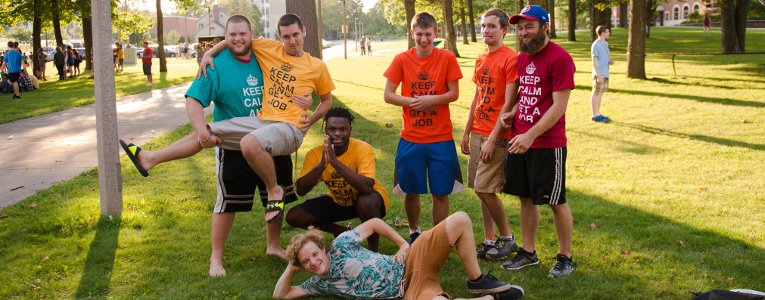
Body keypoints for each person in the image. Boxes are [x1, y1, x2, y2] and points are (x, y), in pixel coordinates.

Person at [119, 15, 297, 277]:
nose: (237, 39)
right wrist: (201, 130)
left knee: (274, 194)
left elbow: (294, 59)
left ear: (252, 35)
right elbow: (193, 98)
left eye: (243, 34)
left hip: (272, 135)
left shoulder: (265, 54)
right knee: (227, 203)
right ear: (225, 36)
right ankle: (216, 259)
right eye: (231, 35)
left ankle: (273, 245)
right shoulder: (215, 66)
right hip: (235, 143)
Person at [199, 13, 335, 227]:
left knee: (253, 151)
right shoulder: (269, 48)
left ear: (304, 32)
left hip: (289, 128)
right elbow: (235, 38)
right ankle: (150, 158)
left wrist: (312, 118)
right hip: (265, 122)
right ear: (280, 37)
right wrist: (209, 53)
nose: (292, 41)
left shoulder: (317, 66)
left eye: (296, 35)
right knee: (206, 131)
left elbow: (327, 100)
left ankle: (274, 195)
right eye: (286, 36)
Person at [274, 212, 525, 299]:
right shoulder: (319, 283)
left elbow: (373, 222)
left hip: (412, 260)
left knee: (459, 220)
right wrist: (291, 267)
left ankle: (477, 281)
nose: (314, 262)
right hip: (406, 291)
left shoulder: (341, 245)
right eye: (306, 262)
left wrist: (403, 244)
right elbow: (281, 294)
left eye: (315, 254)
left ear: (322, 248)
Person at [499, 5, 575, 278]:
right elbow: (529, 93)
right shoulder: (524, 59)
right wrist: (513, 112)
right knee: (525, 198)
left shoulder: (560, 58)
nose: (523, 33)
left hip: (546, 143)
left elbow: (558, 106)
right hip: (520, 138)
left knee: (556, 200)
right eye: (520, 28)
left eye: (529, 26)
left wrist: (531, 135)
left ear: (546, 26)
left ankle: (565, 257)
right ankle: (528, 252)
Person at [383, 11, 464, 244]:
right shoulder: (401, 59)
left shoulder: (447, 57)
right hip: (411, 137)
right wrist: (414, 102)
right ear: (412, 33)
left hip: (440, 138)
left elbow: (454, 93)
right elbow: (388, 95)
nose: (424, 39)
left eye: (428, 34)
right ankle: (414, 232)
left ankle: (439, 237)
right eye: (419, 34)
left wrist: (432, 100)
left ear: (435, 33)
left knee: (441, 192)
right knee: (411, 190)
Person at [286, 107, 389, 252]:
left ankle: (373, 251)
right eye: (332, 129)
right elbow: (301, 190)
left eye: (343, 129)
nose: (337, 133)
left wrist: (335, 163)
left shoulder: (362, 148)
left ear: (350, 130)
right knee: (294, 216)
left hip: (370, 200)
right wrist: (321, 166)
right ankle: (340, 231)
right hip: (338, 200)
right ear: (325, 130)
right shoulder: (314, 154)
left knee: (367, 202)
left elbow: (366, 187)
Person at [461, 8, 519, 261]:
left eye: (492, 26)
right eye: (483, 26)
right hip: (477, 131)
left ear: (504, 29)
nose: (486, 30)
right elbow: (478, 96)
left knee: (485, 188)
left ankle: (507, 238)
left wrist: (494, 137)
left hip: (497, 134)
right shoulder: (481, 57)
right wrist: (466, 131)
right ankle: (488, 239)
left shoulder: (510, 58)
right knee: (479, 188)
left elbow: (509, 102)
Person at [590, 25, 613, 123]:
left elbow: (604, 57)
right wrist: (598, 75)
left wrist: (609, 61)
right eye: (607, 31)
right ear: (602, 33)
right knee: (596, 93)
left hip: (605, 72)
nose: (609, 33)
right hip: (599, 73)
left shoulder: (605, 43)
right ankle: (594, 115)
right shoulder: (596, 44)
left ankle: (598, 113)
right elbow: (594, 62)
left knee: (600, 94)